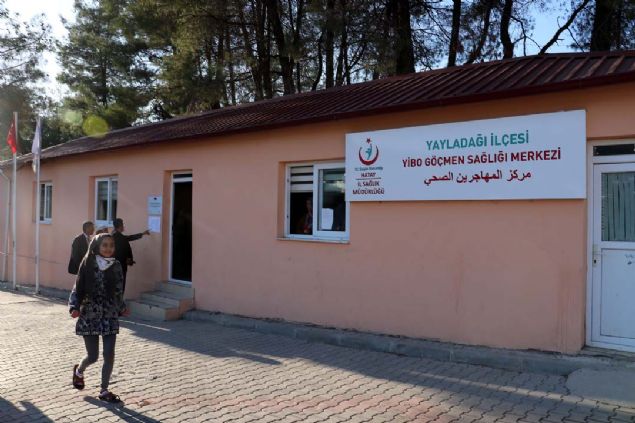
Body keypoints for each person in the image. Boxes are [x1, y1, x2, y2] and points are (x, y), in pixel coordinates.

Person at [68, 233, 129, 403]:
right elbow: (77, 287)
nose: (109, 248)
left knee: (109, 354)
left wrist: (122, 307)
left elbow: (118, 290)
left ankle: (104, 390)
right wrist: (74, 306)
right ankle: (79, 371)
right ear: (97, 246)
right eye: (105, 245)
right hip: (90, 315)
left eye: (111, 245)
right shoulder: (88, 263)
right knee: (93, 356)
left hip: (109, 315)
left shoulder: (116, 265)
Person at [111, 218, 150, 292]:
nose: (123, 226)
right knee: (120, 287)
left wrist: (142, 234)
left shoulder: (114, 235)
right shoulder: (118, 237)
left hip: (116, 265)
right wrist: (128, 259)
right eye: (122, 224)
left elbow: (128, 238)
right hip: (120, 266)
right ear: (120, 226)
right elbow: (127, 241)